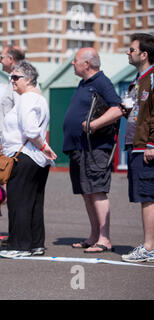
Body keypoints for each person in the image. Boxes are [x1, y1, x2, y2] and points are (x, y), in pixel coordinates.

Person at [63, 48, 122, 253]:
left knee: (97, 191)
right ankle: (94, 235)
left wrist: (94, 124)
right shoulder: (85, 83)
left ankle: (104, 238)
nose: (72, 63)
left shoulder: (101, 82)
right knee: (87, 193)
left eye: (75, 60)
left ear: (87, 64)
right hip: (80, 148)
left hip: (95, 147)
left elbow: (117, 108)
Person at [0, 61, 57, 258]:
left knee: (19, 201)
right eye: (11, 77)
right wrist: (44, 147)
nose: (12, 81)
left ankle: (19, 246)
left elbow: (30, 129)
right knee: (34, 201)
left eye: (16, 77)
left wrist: (42, 145)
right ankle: (35, 243)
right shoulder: (39, 98)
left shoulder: (27, 98)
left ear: (29, 79)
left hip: (24, 155)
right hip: (36, 157)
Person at [120, 33, 154, 262]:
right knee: (145, 197)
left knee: (148, 197)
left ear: (144, 54)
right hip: (136, 145)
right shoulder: (137, 79)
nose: (127, 53)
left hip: (146, 147)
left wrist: (152, 144)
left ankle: (149, 247)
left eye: (131, 49)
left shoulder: (152, 79)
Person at [0, 45, 26, 147]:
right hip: (9, 143)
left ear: (11, 59)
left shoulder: (19, 81)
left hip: (14, 144)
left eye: (1, 57)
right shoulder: (15, 80)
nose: (0, 61)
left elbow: (21, 111)